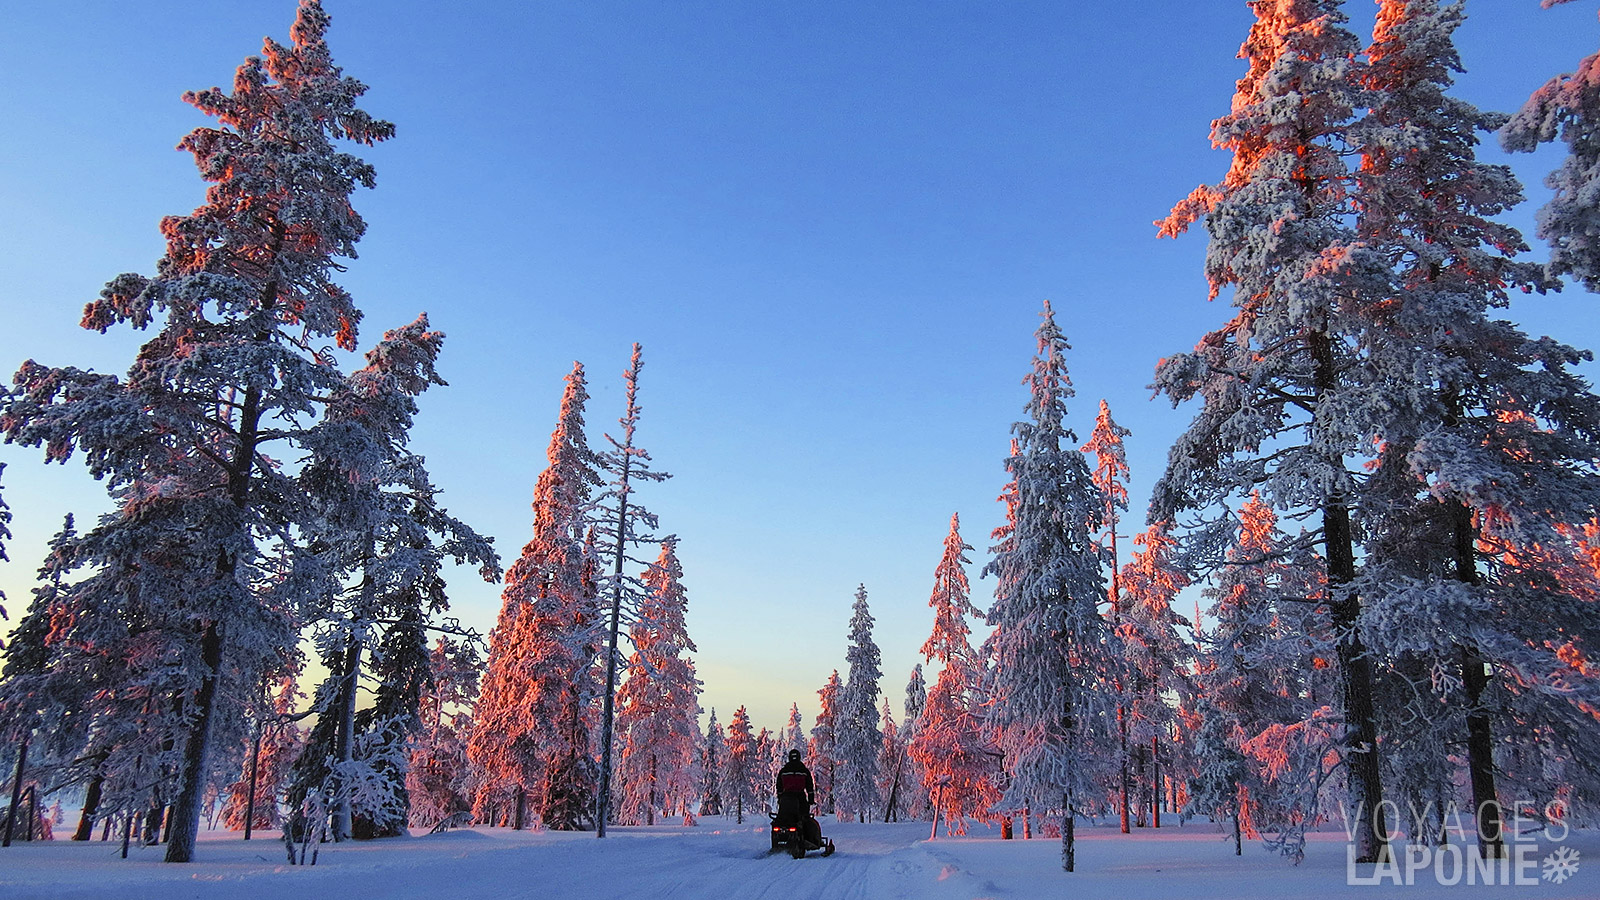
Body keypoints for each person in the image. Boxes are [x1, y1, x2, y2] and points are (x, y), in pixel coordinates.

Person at [775, 750, 821, 847]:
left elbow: (779, 786)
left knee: (782, 819)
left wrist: (780, 797)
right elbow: (809, 787)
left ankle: (781, 838)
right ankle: (809, 839)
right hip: (800, 797)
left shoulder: (784, 771)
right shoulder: (804, 770)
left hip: (786, 798)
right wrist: (811, 799)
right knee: (805, 818)